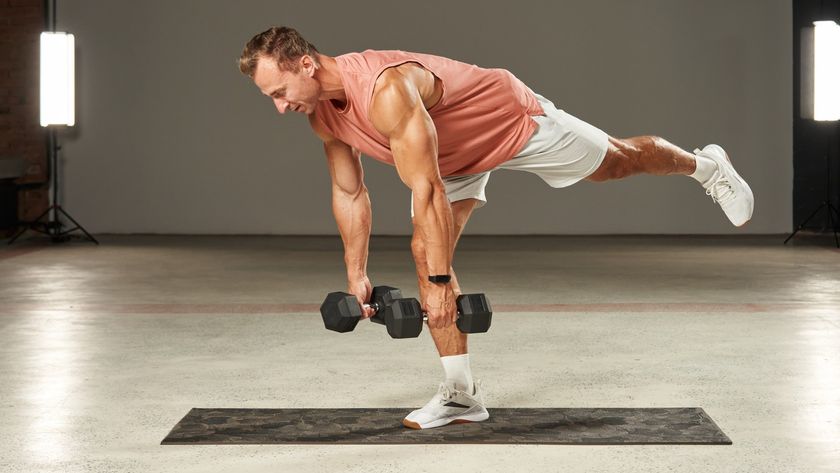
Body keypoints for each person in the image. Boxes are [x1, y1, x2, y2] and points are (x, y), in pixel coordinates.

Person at [238, 26, 754, 430]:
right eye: (271, 99)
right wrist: (356, 273)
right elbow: (350, 193)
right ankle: (461, 396)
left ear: (306, 64)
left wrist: (440, 286)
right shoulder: (322, 116)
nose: (281, 107)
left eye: (281, 91)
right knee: (424, 251)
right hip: (449, 160)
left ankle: (706, 166)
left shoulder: (385, 88)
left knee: (619, 161)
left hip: (506, 121)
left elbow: (426, 191)